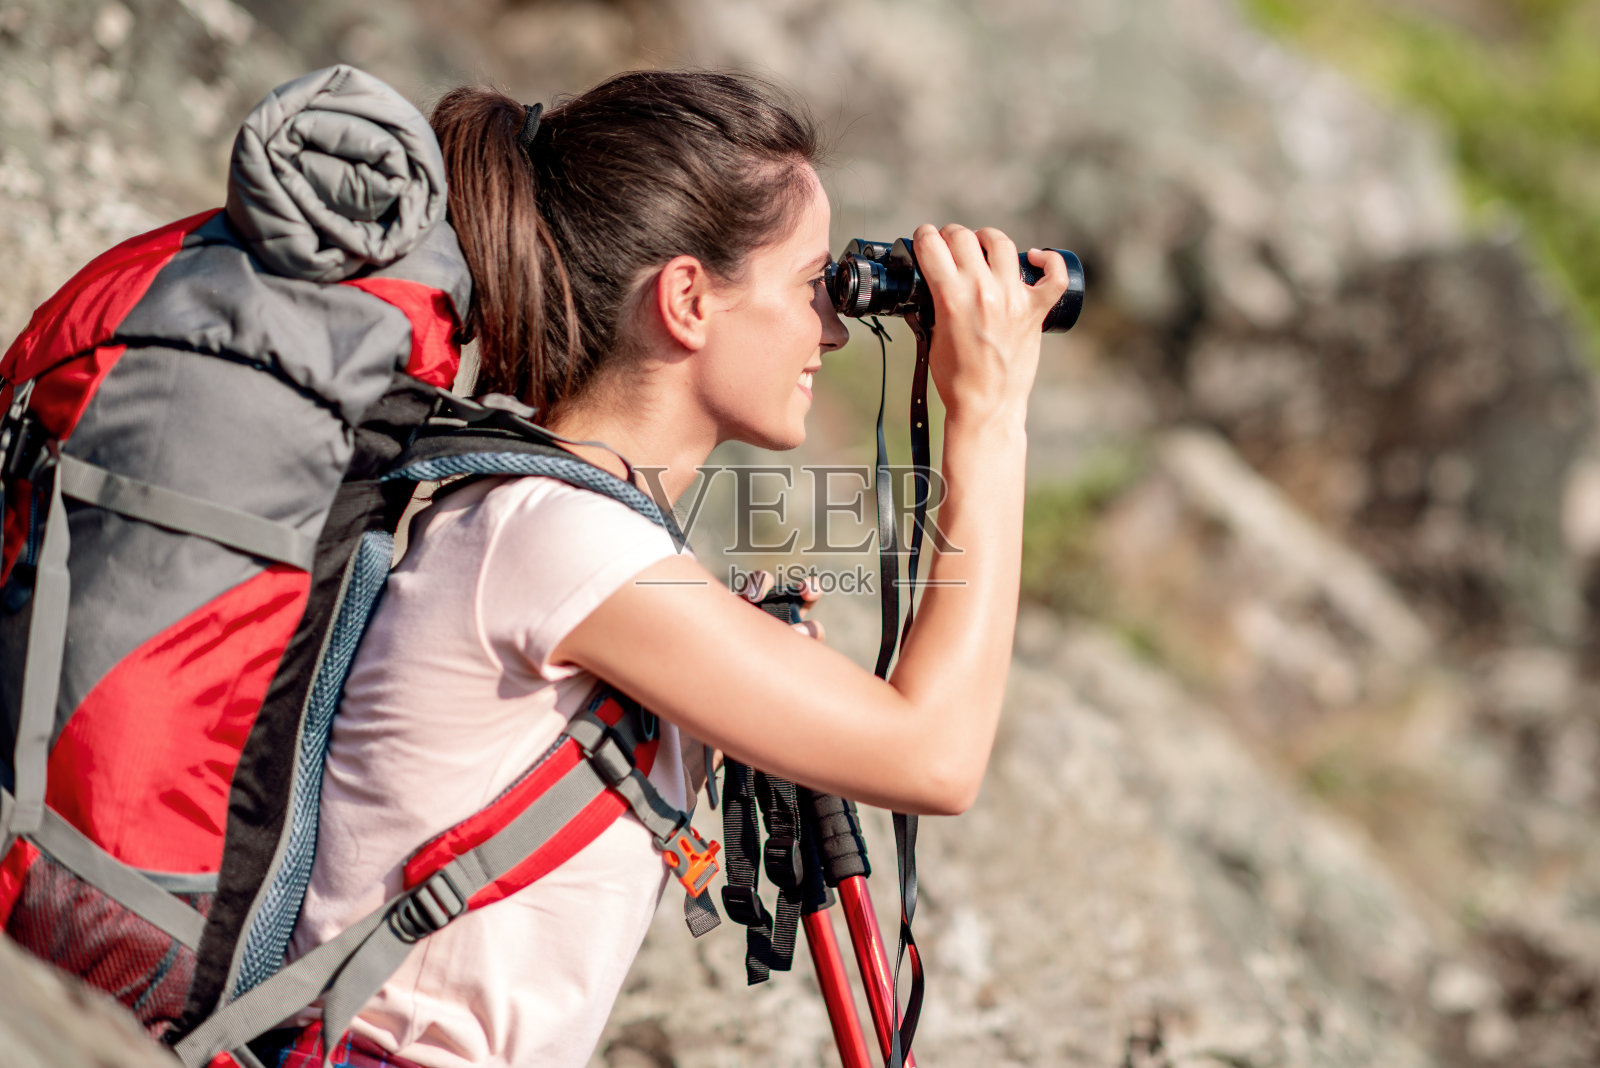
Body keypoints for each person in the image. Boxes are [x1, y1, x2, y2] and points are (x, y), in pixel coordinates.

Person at [270, 69, 1070, 1068]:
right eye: (810, 284)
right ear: (687, 298)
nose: (832, 326)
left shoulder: (555, 524)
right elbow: (935, 759)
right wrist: (990, 421)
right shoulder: (557, 536)